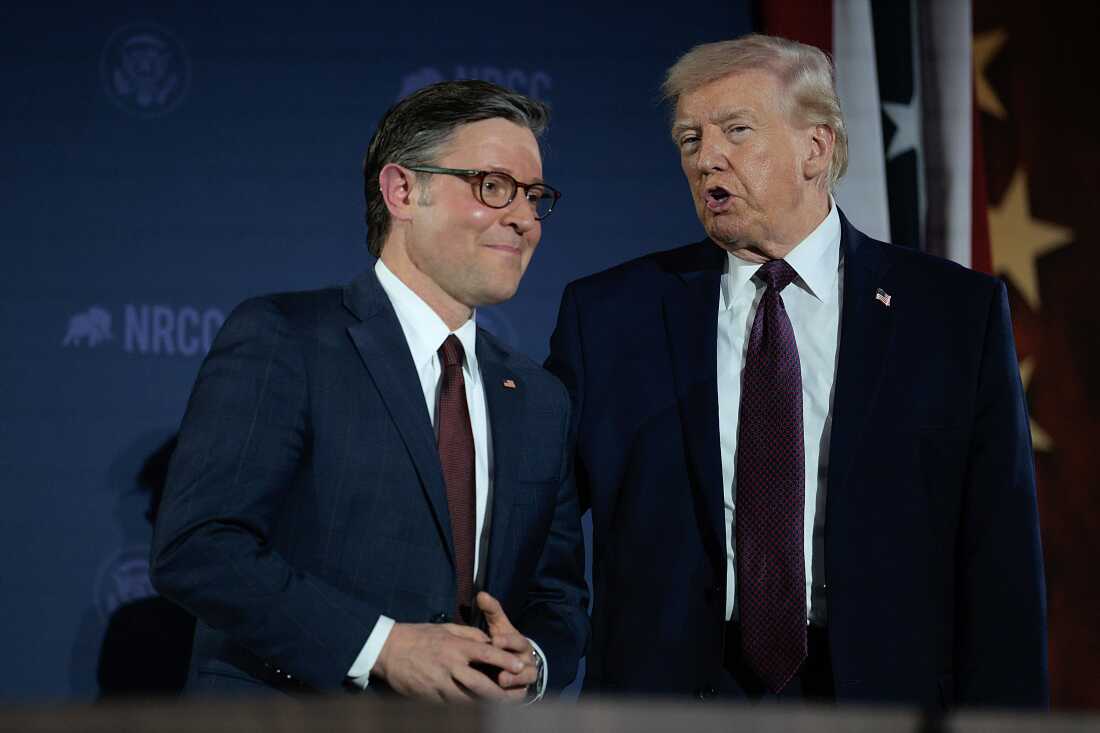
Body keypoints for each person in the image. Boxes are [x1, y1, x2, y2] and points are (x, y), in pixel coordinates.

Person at [545, 34, 1048, 707]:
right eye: (689, 139)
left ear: (816, 147)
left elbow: (1000, 553)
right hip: (668, 702)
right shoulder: (610, 315)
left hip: (879, 699)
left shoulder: (952, 315)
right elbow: (539, 511)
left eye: (736, 130)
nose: (705, 158)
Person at [151, 80, 589, 702]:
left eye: (535, 196)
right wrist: (382, 646)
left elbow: (557, 595)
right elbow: (200, 548)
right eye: (494, 187)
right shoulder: (287, 339)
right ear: (403, 190)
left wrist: (534, 661)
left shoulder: (541, 398)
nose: (523, 218)